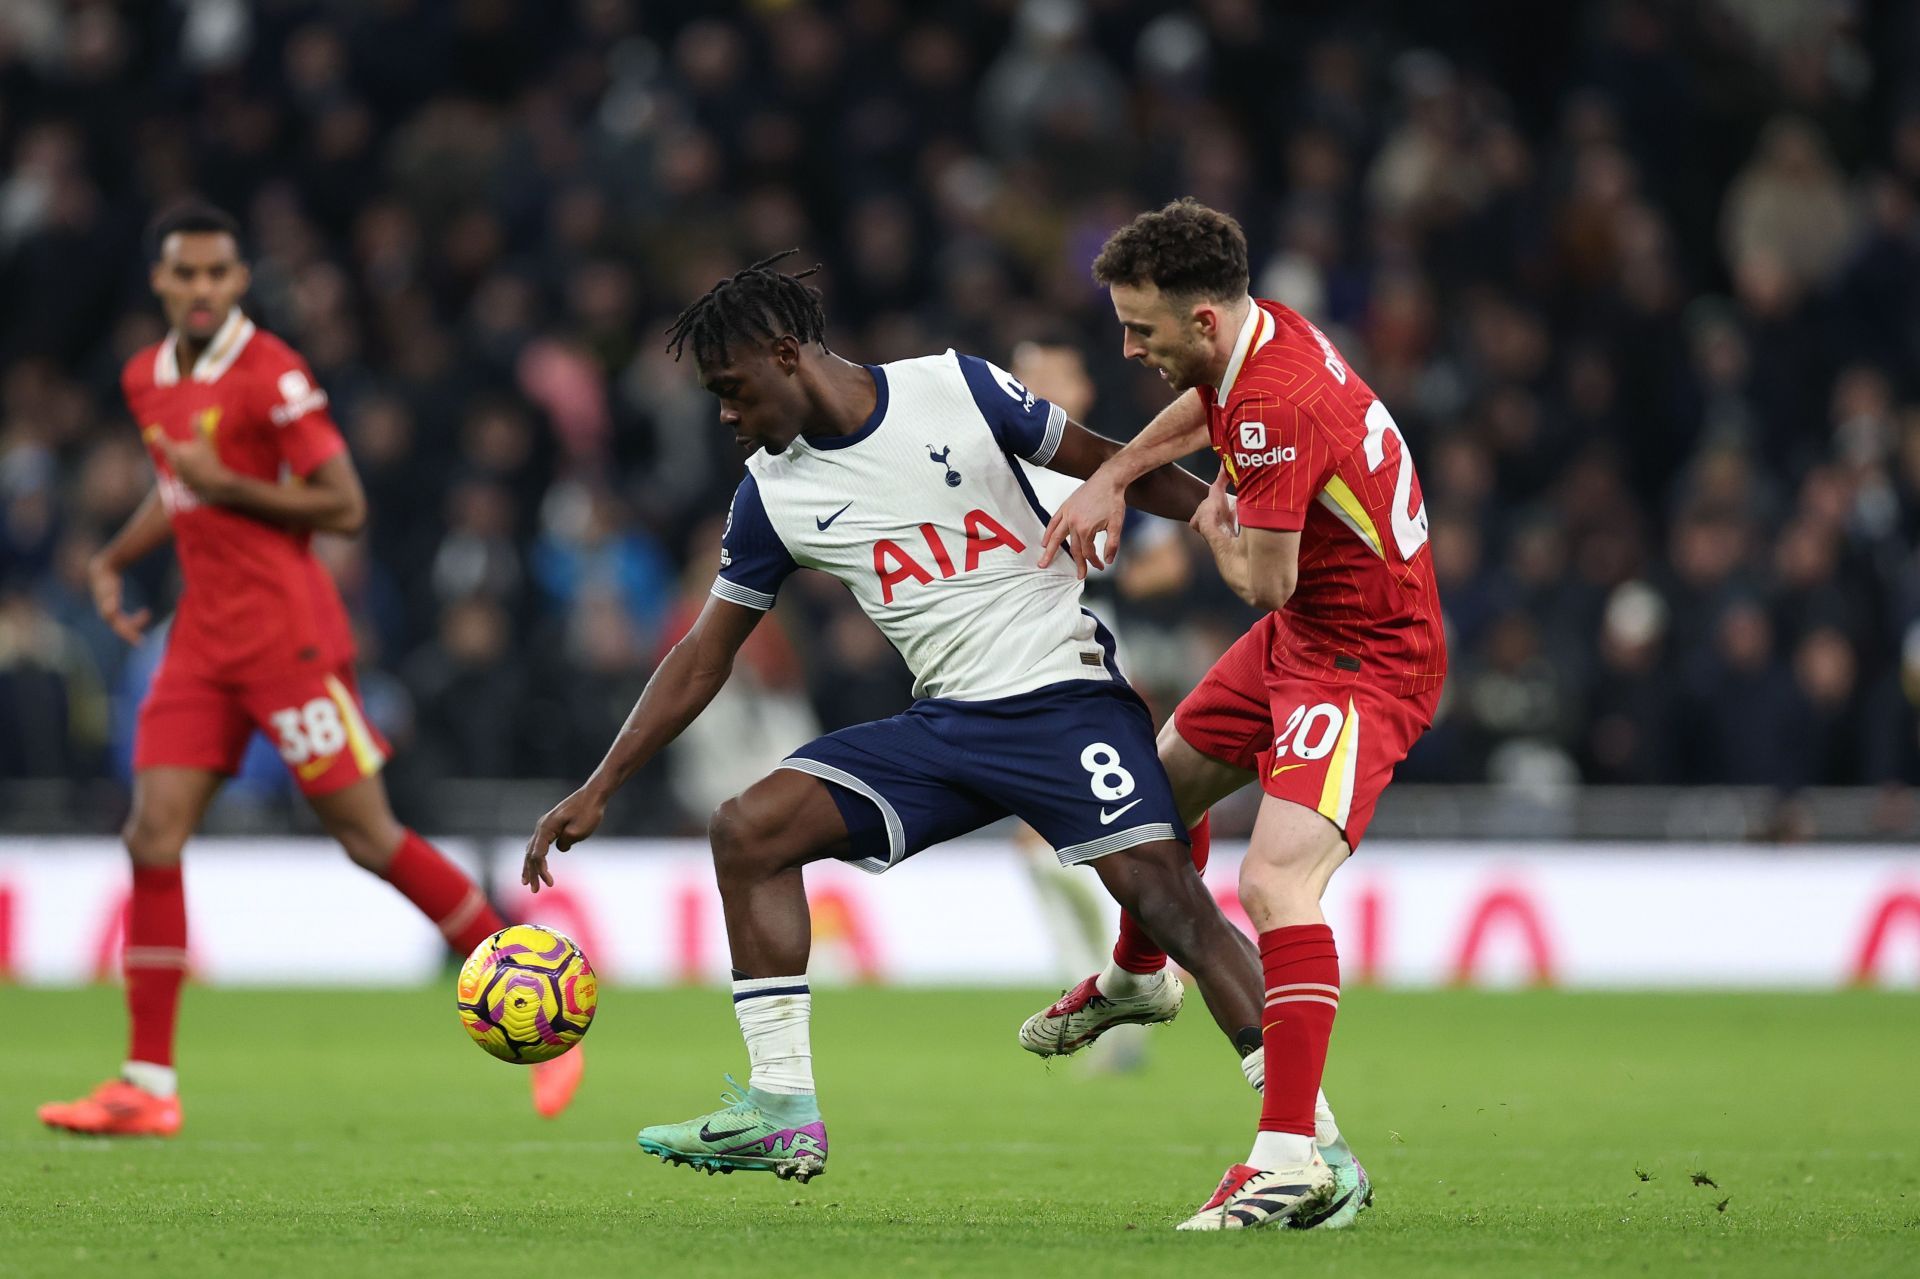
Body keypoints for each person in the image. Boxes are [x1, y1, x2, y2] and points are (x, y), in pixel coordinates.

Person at [521, 252, 1264, 1186]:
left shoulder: (955, 389)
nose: (725, 413)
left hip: (1060, 698)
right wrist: (599, 785)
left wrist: (1216, 521)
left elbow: (1109, 463)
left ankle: (1303, 1137)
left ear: (785, 354)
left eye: (731, 388)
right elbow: (702, 654)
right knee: (749, 829)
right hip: (946, 726)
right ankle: (782, 1108)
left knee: (1166, 896)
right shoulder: (771, 493)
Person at [37, 203, 582, 1136]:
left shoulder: (274, 375)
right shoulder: (146, 377)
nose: (203, 289)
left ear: (239, 280)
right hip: (201, 643)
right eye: (185, 275)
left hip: (289, 642)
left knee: (368, 837)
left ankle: (541, 1003)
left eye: (219, 274)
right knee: (151, 836)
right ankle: (147, 1083)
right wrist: (118, 555)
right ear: (161, 283)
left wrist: (229, 485)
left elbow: (344, 503)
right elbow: (179, 489)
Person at [1037, 199, 1446, 1230]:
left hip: (1363, 657)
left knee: (1274, 882)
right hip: (1308, 636)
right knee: (1150, 798)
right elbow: (1209, 409)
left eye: (1144, 329)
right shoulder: (1272, 334)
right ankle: (1139, 977)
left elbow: (1263, 581)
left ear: (1205, 322)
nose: (1130, 346)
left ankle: (1291, 1160)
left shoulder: (1275, 405)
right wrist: (1119, 474)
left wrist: (1215, 525)